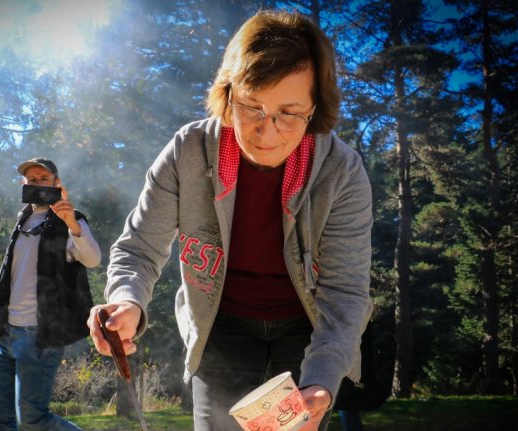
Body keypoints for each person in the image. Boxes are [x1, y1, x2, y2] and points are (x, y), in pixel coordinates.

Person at [88, 9, 373, 431]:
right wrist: (128, 300)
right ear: (228, 93)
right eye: (251, 107)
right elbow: (140, 246)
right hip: (219, 326)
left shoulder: (342, 171)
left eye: (289, 113)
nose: (267, 131)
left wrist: (322, 382)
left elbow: (346, 294)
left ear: (316, 108)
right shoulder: (188, 151)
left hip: (305, 330)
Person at [0, 157, 101, 431]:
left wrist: (72, 222)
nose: (36, 184)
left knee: (34, 420)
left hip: (40, 335)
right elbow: (8, 277)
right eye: (31, 180)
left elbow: (93, 259)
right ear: (24, 184)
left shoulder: (71, 221)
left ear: (57, 184)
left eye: (43, 179)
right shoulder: (22, 220)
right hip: (9, 333)